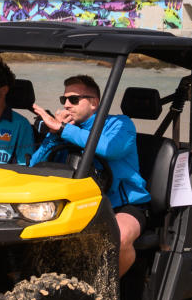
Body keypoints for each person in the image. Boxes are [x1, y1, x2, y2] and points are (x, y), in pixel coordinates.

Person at [30, 74, 150, 277]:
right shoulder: (67, 130)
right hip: (79, 204)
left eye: (74, 99)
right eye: (64, 100)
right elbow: (35, 167)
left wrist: (64, 129)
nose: (66, 105)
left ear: (94, 103)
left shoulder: (120, 124)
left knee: (118, 238)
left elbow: (110, 148)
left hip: (123, 205)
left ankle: (104, 294)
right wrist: (52, 135)